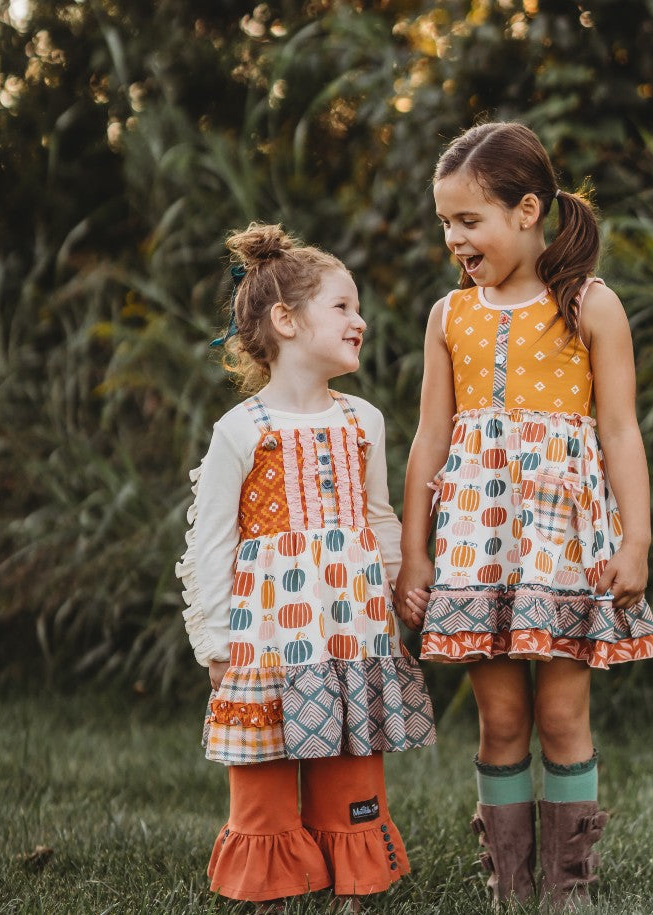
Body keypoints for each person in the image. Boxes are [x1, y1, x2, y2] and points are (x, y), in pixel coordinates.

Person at [395, 122, 653, 910]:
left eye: (467, 220)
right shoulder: (449, 316)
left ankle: (566, 887)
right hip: (478, 546)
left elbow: (618, 430)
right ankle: (509, 885)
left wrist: (635, 540)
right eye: (444, 222)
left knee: (560, 711)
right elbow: (428, 440)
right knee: (501, 718)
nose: (453, 238)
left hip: (561, 541)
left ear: (526, 210)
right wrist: (415, 552)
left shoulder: (589, 304)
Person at [176, 223, 435, 913]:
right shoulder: (242, 430)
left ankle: (350, 886)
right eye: (343, 306)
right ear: (285, 320)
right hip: (266, 639)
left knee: (350, 760)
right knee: (262, 769)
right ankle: (270, 885)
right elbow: (211, 544)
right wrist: (214, 640)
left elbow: (379, 518)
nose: (360, 320)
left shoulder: (364, 421)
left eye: (357, 307)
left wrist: (400, 587)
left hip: (352, 632)